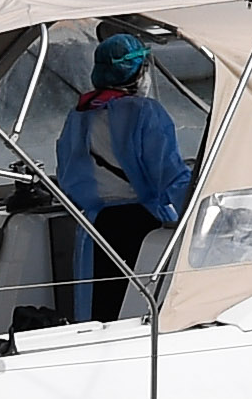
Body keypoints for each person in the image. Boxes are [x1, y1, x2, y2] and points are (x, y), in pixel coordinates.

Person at [54, 31, 196, 320]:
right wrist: (200, 213)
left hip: (96, 227)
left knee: (102, 310)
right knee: (139, 310)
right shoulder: (146, 112)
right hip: (140, 223)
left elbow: (67, 175)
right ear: (137, 72)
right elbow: (170, 175)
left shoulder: (78, 116)